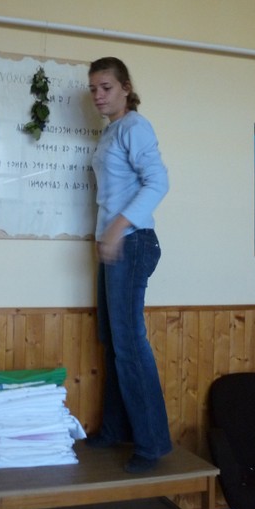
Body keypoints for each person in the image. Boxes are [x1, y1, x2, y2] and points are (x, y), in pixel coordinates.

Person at [86, 57, 172, 474]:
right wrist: (104, 236)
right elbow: (113, 192)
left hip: (133, 242)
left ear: (125, 87)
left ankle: (152, 443)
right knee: (113, 340)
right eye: (93, 89)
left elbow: (159, 182)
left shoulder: (135, 126)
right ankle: (115, 429)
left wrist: (117, 230)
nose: (98, 96)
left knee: (130, 343)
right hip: (116, 244)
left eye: (106, 87)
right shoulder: (112, 132)